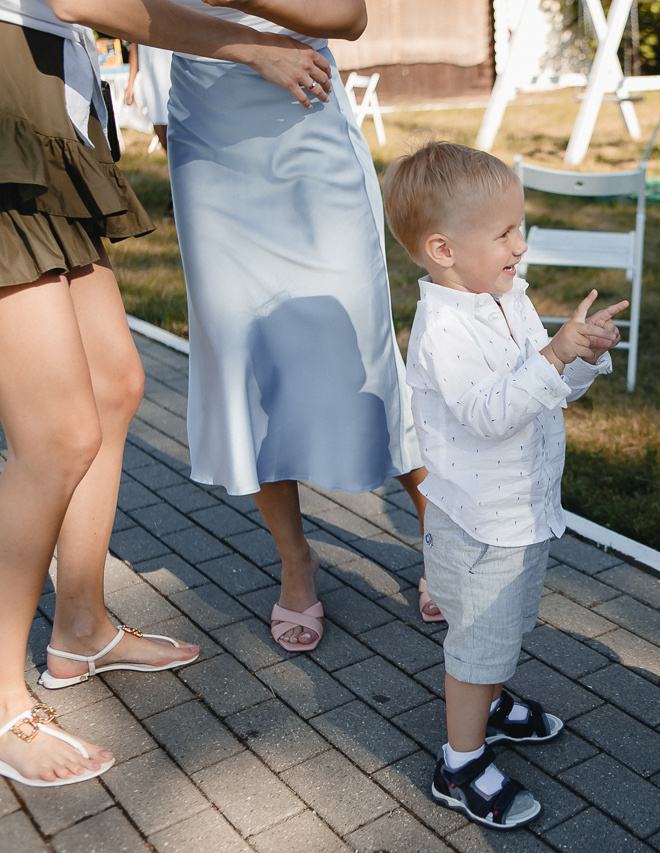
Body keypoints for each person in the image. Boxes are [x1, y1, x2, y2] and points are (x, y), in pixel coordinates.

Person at [0, 0, 333, 787]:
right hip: (7, 86)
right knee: (55, 436)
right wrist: (250, 46)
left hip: (45, 87)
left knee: (116, 386)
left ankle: (80, 626)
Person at [163, 0, 434, 652]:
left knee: (360, 353)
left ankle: (441, 537)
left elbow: (348, 14)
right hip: (208, 132)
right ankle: (295, 558)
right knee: (246, 360)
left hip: (307, 124)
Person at [382, 141, 627, 830]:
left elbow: (540, 393)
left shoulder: (502, 295)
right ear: (442, 249)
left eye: (519, 227)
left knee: (506, 626)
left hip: (522, 508)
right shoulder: (442, 329)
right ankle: (458, 762)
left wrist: (578, 357)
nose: (522, 245)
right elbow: (490, 412)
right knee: (476, 642)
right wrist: (553, 353)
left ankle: (490, 704)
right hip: (478, 524)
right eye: (504, 234)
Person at [124, 44, 173, 151]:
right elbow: (135, 45)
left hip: (172, 75)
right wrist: (130, 84)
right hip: (151, 80)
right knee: (162, 134)